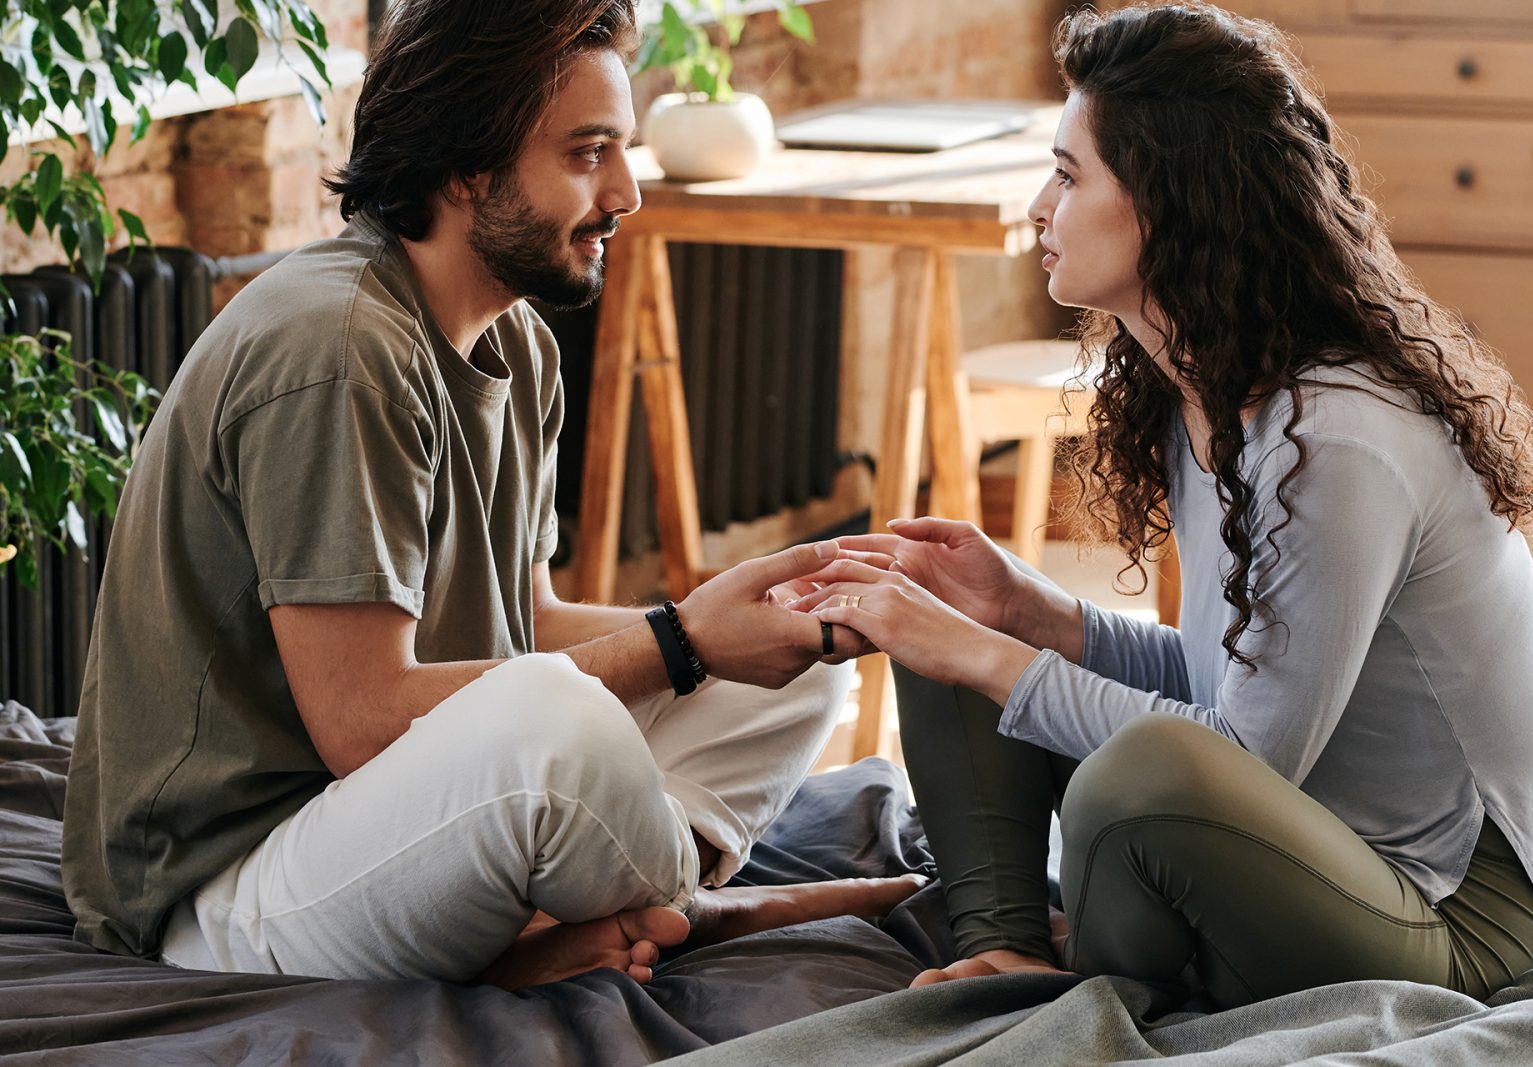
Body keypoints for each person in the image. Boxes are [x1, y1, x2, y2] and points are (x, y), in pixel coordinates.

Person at [61, 0, 921, 989]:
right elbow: (364, 719)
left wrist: (741, 624)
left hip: (390, 820)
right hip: (226, 886)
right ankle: (691, 908)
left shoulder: (517, 342)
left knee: (801, 657)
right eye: (588, 152)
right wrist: (682, 640)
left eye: (622, 150)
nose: (627, 192)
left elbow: (530, 618)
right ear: (467, 167)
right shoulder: (339, 346)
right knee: (559, 717)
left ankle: (621, 916)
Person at [789, 1, 1533, 1008]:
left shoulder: (1333, 435)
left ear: (1170, 201)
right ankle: (1006, 948)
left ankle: (1078, 948)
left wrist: (995, 656)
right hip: (1315, 846)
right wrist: (1026, 617)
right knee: (950, 613)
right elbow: (1241, 693)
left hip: (1455, 916)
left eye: (1070, 174)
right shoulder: (1205, 392)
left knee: (1127, 763)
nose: (1040, 205)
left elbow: (1240, 756)